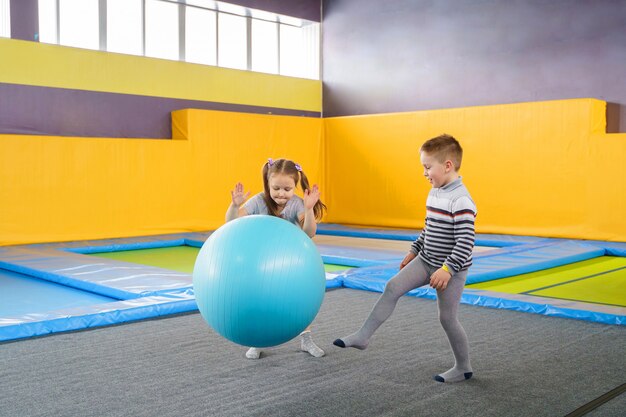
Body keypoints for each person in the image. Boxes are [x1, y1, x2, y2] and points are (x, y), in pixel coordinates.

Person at [333, 134, 476, 383]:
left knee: (447, 318)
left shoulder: (461, 200)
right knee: (392, 287)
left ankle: (463, 367)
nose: (424, 173)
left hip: (448, 269)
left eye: (427, 167)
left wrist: (448, 270)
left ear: (448, 165)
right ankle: (363, 336)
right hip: (426, 260)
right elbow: (428, 228)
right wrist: (414, 250)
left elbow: (466, 243)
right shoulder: (435, 192)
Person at [226, 157, 328, 359]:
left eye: (287, 189)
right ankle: (257, 341)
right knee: (260, 298)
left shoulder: (298, 204)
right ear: (268, 184)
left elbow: (309, 232)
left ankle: (306, 340)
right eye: (276, 188)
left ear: (295, 187)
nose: (282, 194)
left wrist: (308, 209)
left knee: (300, 299)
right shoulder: (258, 201)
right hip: (261, 263)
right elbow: (230, 224)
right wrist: (234, 206)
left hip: (292, 263)